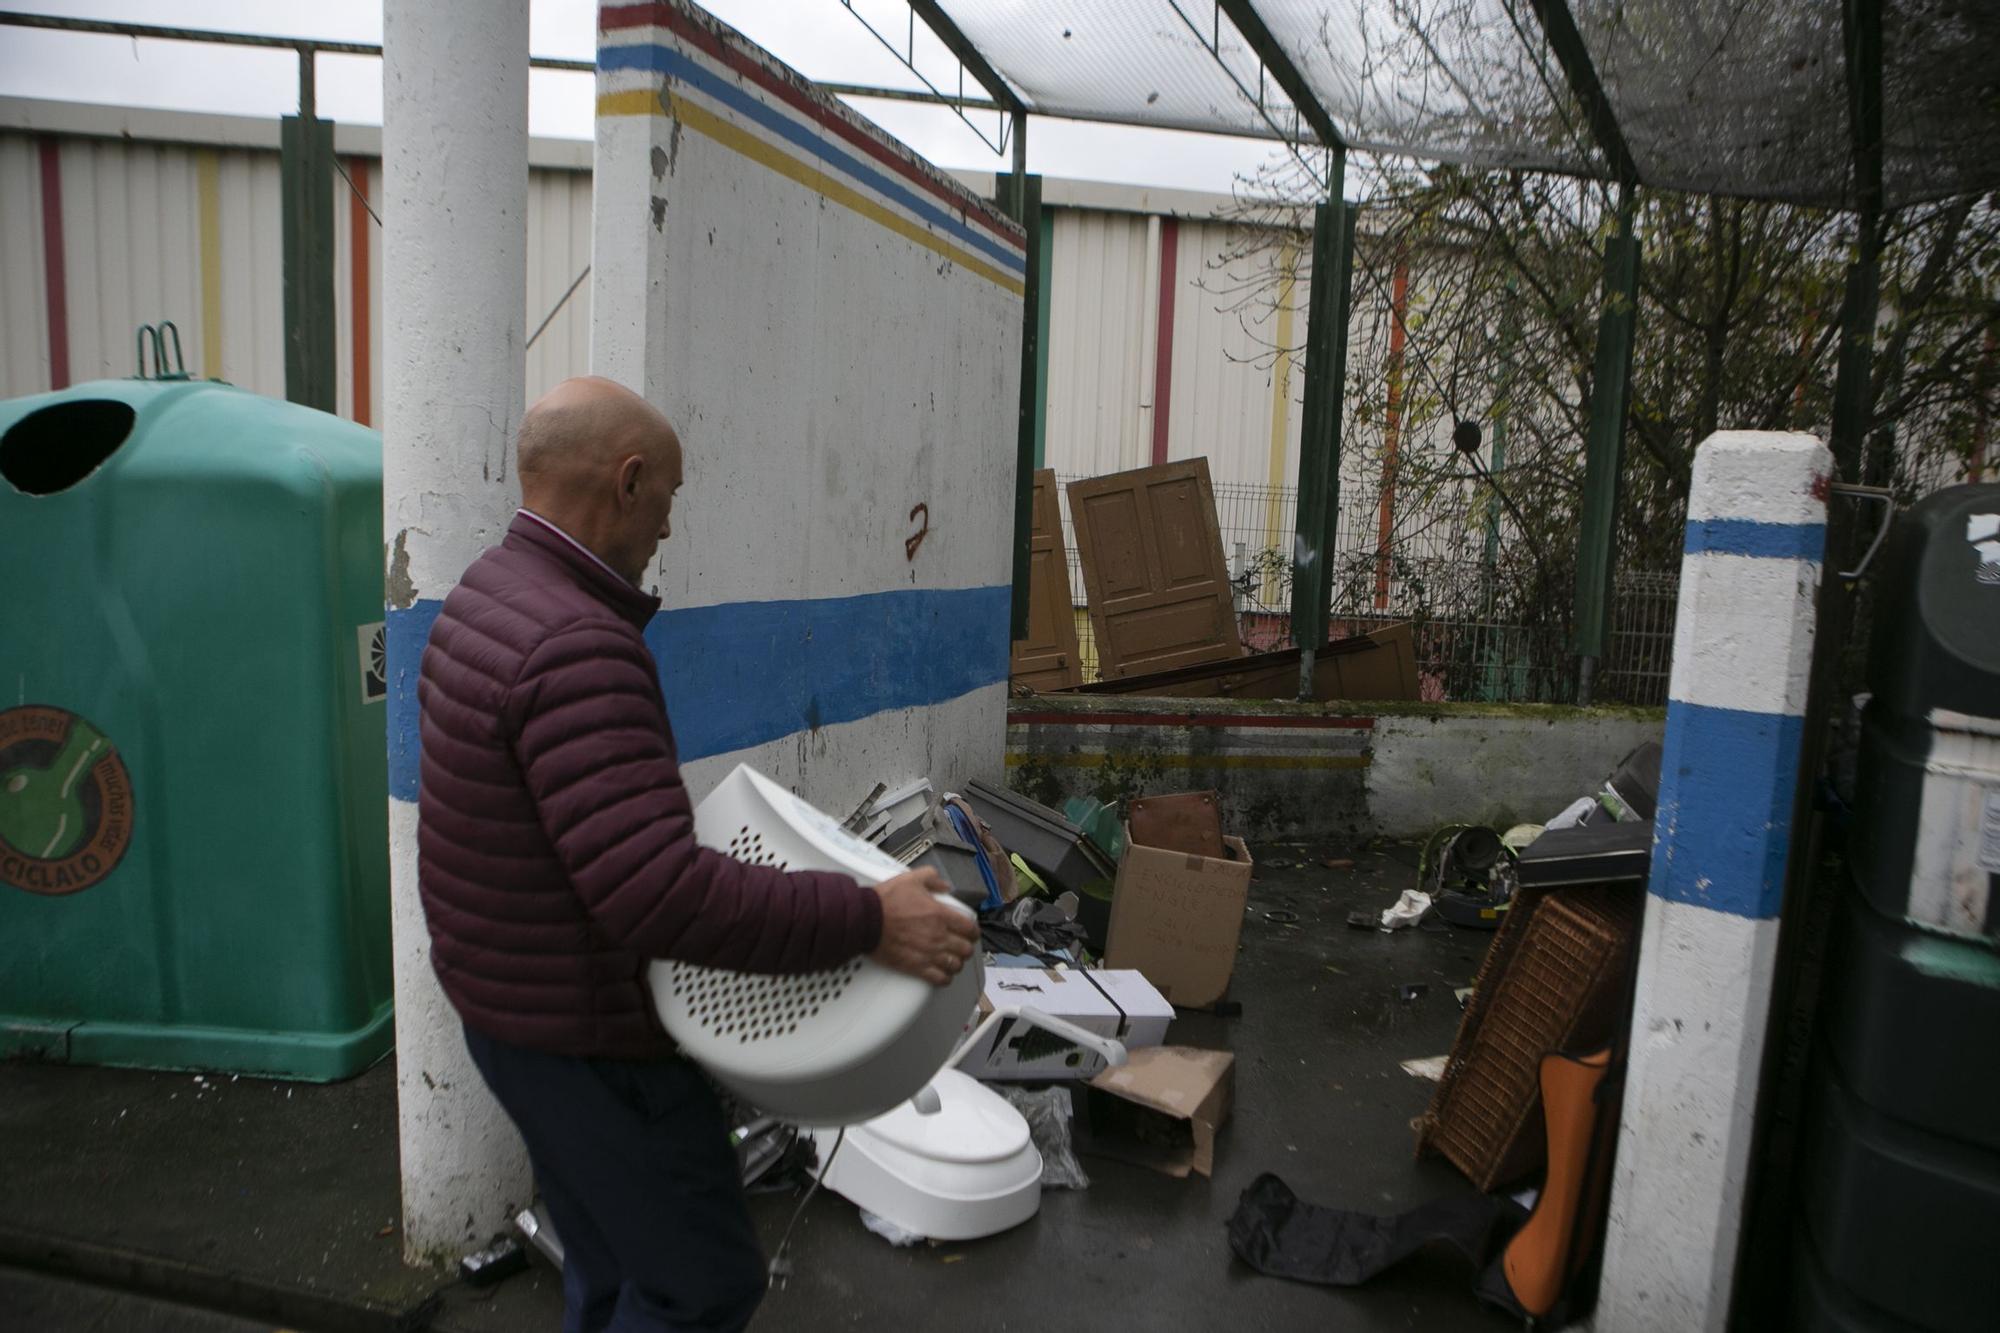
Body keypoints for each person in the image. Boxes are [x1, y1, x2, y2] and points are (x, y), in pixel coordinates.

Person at [414, 376, 978, 1332]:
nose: (669, 528)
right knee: (698, 1281)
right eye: (669, 498)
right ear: (629, 482)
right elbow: (657, 896)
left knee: (603, 1256)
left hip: (509, 1014)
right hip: (591, 1044)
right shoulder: (579, 645)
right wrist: (872, 918)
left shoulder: (487, 592)